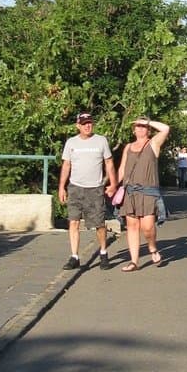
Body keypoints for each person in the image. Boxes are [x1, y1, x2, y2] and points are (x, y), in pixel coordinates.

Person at [58, 111, 117, 270]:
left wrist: (113, 183)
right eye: (84, 124)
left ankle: (103, 253)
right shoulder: (71, 143)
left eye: (90, 123)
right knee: (74, 221)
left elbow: (109, 163)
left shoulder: (101, 141)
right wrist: (61, 187)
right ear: (78, 126)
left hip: (95, 188)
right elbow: (66, 165)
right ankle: (74, 256)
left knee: (99, 223)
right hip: (76, 187)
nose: (87, 126)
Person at [118, 116, 170, 270]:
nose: (140, 128)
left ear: (148, 129)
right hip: (130, 192)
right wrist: (113, 185)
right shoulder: (128, 147)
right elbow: (122, 168)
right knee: (132, 226)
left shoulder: (153, 143)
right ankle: (134, 261)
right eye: (137, 126)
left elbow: (165, 128)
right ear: (133, 129)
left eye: (143, 126)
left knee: (147, 227)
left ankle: (153, 248)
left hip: (148, 192)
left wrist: (148, 122)